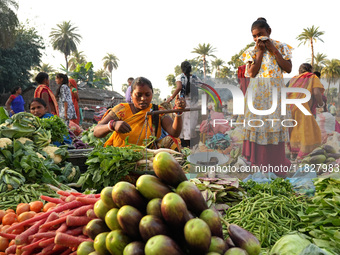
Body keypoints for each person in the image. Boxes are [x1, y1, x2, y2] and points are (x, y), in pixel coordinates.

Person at [240, 17, 293, 170]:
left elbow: (288, 68)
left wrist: (273, 51)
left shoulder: (281, 47)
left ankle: (277, 164)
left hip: (275, 94)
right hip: (257, 95)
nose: (258, 38)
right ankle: (259, 164)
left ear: (269, 32)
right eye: (254, 36)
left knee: (274, 124)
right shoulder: (251, 51)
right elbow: (251, 73)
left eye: (260, 34)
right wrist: (260, 53)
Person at [94, 77, 185, 149]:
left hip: (148, 157)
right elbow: (96, 131)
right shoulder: (121, 110)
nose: (143, 98)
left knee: (171, 143)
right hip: (121, 156)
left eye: (147, 95)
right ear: (131, 95)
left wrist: (179, 112)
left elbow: (174, 132)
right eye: (138, 95)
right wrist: (113, 125)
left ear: (152, 94)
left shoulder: (157, 111)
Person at [287, 63, 324, 159]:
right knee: (309, 131)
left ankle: (294, 153)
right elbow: (316, 92)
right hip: (302, 107)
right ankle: (302, 156)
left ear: (299, 71)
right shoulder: (312, 77)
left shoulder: (294, 78)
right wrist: (321, 104)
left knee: (294, 130)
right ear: (310, 70)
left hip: (289, 107)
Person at [166, 61, 200, 147]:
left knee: (183, 126)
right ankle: (192, 146)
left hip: (183, 104)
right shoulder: (195, 77)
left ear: (182, 69)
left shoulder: (180, 77)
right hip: (194, 104)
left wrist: (170, 98)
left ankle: (185, 146)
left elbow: (179, 87)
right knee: (191, 126)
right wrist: (205, 101)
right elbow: (205, 87)